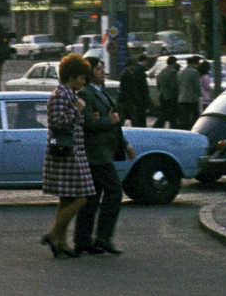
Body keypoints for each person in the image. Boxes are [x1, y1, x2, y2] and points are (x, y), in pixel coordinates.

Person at [74, 60, 134, 256]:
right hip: (96, 153)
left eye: (102, 69)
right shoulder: (86, 93)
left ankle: (83, 239)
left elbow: (112, 122)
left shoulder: (100, 91)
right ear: (89, 72)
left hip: (105, 151)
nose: (102, 72)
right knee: (114, 191)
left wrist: (125, 145)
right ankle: (103, 237)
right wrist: (109, 120)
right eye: (98, 69)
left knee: (92, 197)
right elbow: (88, 123)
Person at [40, 53, 95, 258]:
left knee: (67, 198)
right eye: (81, 77)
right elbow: (57, 122)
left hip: (74, 152)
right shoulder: (60, 95)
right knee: (82, 197)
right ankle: (54, 234)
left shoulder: (70, 94)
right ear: (70, 76)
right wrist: (77, 111)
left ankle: (61, 242)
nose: (83, 81)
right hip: (65, 154)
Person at [118, 55, 150, 128]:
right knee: (129, 116)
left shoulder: (129, 73)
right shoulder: (126, 74)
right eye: (133, 65)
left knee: (130, 117)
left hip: (129, 99)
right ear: (130, 65)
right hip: (128, 100)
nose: (134, 67)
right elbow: (126, 88)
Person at [153, 55, 180, 128]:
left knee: (165, 112)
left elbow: (158, 83)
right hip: (170, 96)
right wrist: (176, 94)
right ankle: (160, 125)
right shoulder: (173, 72)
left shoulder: (163, 71)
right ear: (174, 62)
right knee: (170, 113)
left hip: (162, 94)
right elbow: (173, 85)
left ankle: (160, 125)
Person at [177, 56, 203, 129]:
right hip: (192, 98)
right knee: (195, 116)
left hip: (182, 97)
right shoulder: (194, 72)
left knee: (185, 117)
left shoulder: (180, 72)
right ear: (194, 63)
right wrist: (199, 95)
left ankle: (184, 129)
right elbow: (197, 86)